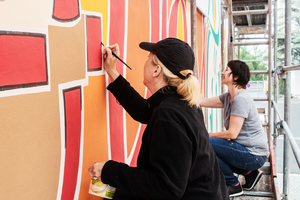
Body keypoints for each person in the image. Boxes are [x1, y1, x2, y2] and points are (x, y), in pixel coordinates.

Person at [88, 38, 229, 200]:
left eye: (148, 58)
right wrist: (112, 71)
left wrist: (108, 170)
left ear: (156, 70)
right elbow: (144, 111)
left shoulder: (168, 115)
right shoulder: (180, 101)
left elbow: (166, 189)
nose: (145, 62)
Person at [200, 60, 270, 197]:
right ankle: (249, 173)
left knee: (205, 143)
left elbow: (232, 133)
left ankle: (233, 184)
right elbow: (203, 101)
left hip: (254, 155)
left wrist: (208, 135)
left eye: (226, 70)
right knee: (212, 144)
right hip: (249, 151)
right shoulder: (228, 97)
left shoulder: (240, 99)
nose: (222, 72)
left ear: (236, 77)